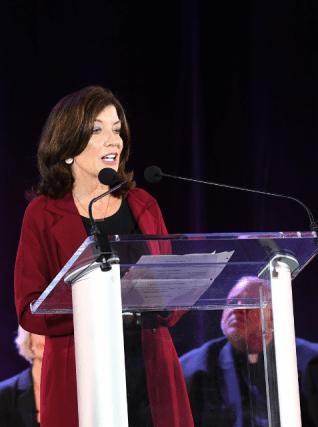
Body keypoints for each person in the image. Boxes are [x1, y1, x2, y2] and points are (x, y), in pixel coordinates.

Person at [14, 86, 192, 427]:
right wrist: (98, 309)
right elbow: (29, 309)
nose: (114, 141)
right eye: (98, 130)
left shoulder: (143, 204)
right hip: (80, 371)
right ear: (68, 146)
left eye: (117, 129)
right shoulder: (42, 214)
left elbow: (170, 293)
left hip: (148, 368)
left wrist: (170, 295)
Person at [179, 276, 318, 427]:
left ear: (273, 317)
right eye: (233, 301)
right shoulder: (190, 370)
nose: (238, 308)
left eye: (250, 302)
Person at [0, 326, 45, 427]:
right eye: (41, 330)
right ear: (29, 338)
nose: (47, 338)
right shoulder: (3, 395)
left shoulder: (73, 389)